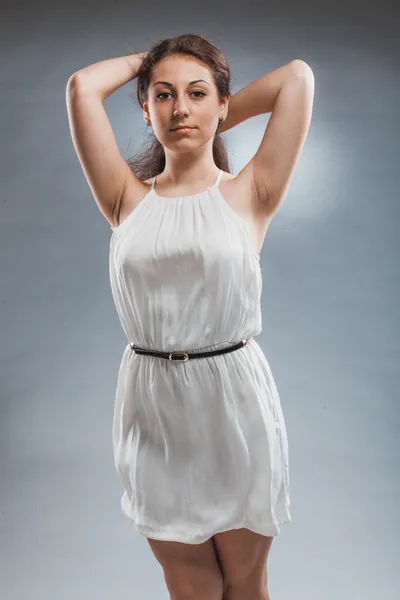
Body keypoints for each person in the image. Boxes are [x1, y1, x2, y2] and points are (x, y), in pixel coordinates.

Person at [66, 33, 314, 600]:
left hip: (234, 402)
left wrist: (213, 120)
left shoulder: (250, 193)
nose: (181, 108)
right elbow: (82, 86)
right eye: (164, 96)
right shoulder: (125, 198)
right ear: (146, 107)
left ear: (222, 102)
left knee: (245, 583)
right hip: (153, 407)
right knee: (190, 583)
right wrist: (146, 61)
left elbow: (296, 77)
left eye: (198, 94)